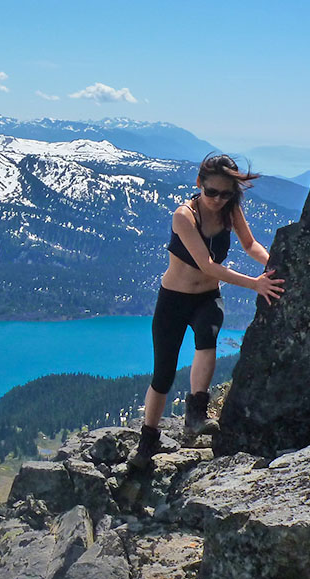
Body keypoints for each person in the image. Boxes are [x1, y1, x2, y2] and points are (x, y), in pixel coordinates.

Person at [129, 154, 284, 474]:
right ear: (199, 184)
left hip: (206, 298)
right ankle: (148, 439)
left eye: (226, 194)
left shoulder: (229, 210)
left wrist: (273, 267)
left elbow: (250, 244)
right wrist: (255, 284)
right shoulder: (184, 216)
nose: (218, 199)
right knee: (163, 375)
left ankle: (196, 413)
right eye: (212, 192)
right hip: (172, 300)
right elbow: (207, 264)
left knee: (207, 338)